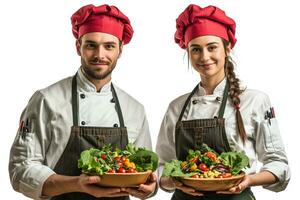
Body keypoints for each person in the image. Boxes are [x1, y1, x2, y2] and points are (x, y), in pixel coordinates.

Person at [9, 4, 157, 200]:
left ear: (120, 50)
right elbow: (20, 170)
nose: (99, 55)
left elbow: (143, 170)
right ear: (78, 47)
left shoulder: (134, 108)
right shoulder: (47, 99)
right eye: (91, 45)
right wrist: (77, 184)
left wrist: (150, 188)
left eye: (109, 46)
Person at [156, 4, 290, 200]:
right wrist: (174, 181)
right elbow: (162, 166)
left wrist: (248, 180)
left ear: (227, 48)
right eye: (195, 49)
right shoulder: (176, 107)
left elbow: (278, 163)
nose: (204, 57)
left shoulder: (255, 100)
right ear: (188, 52)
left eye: (212, 47)